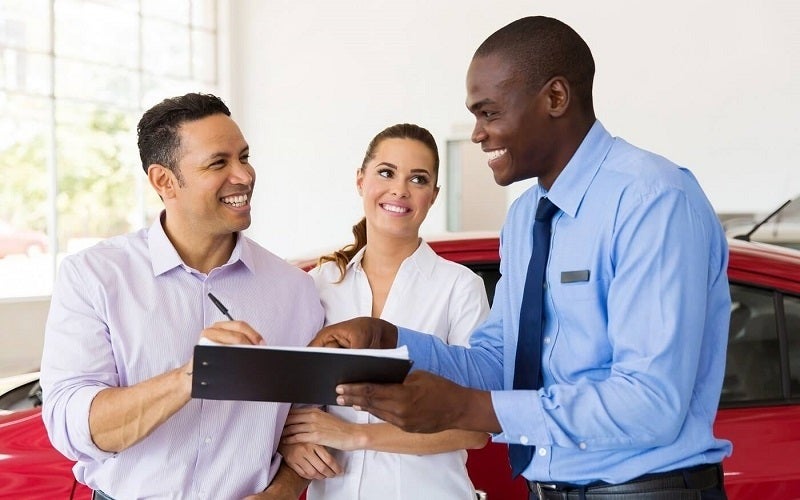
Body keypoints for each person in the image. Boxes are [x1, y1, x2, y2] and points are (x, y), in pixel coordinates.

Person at [311, 16, 731, 500]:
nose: (477, 134)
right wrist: (387, 338)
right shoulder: (527, 216)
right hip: (547, 488)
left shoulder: (653, 199)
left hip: (645, 491)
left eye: (488, 113)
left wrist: (468, 410)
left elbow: (650, 402)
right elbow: (501, 362)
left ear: (555, 98)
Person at [40, 92, 324, 500]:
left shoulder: (294, 289)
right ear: (164, 181)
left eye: (244, 157)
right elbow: (74, 428)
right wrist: (190, 377)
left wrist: (279, 493)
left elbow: (308, 423)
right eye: (218, 163)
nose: (243, 175)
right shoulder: (94, 277)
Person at [278, 123, 491, 499]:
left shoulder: (460, 287)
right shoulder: (320, 284)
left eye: (418, 179)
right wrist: (290, 443)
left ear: (434, 195)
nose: (400, 190)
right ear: (361, 180)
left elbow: (474, 429)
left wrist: (356, 435)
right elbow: (289, 402)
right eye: (386, 172)